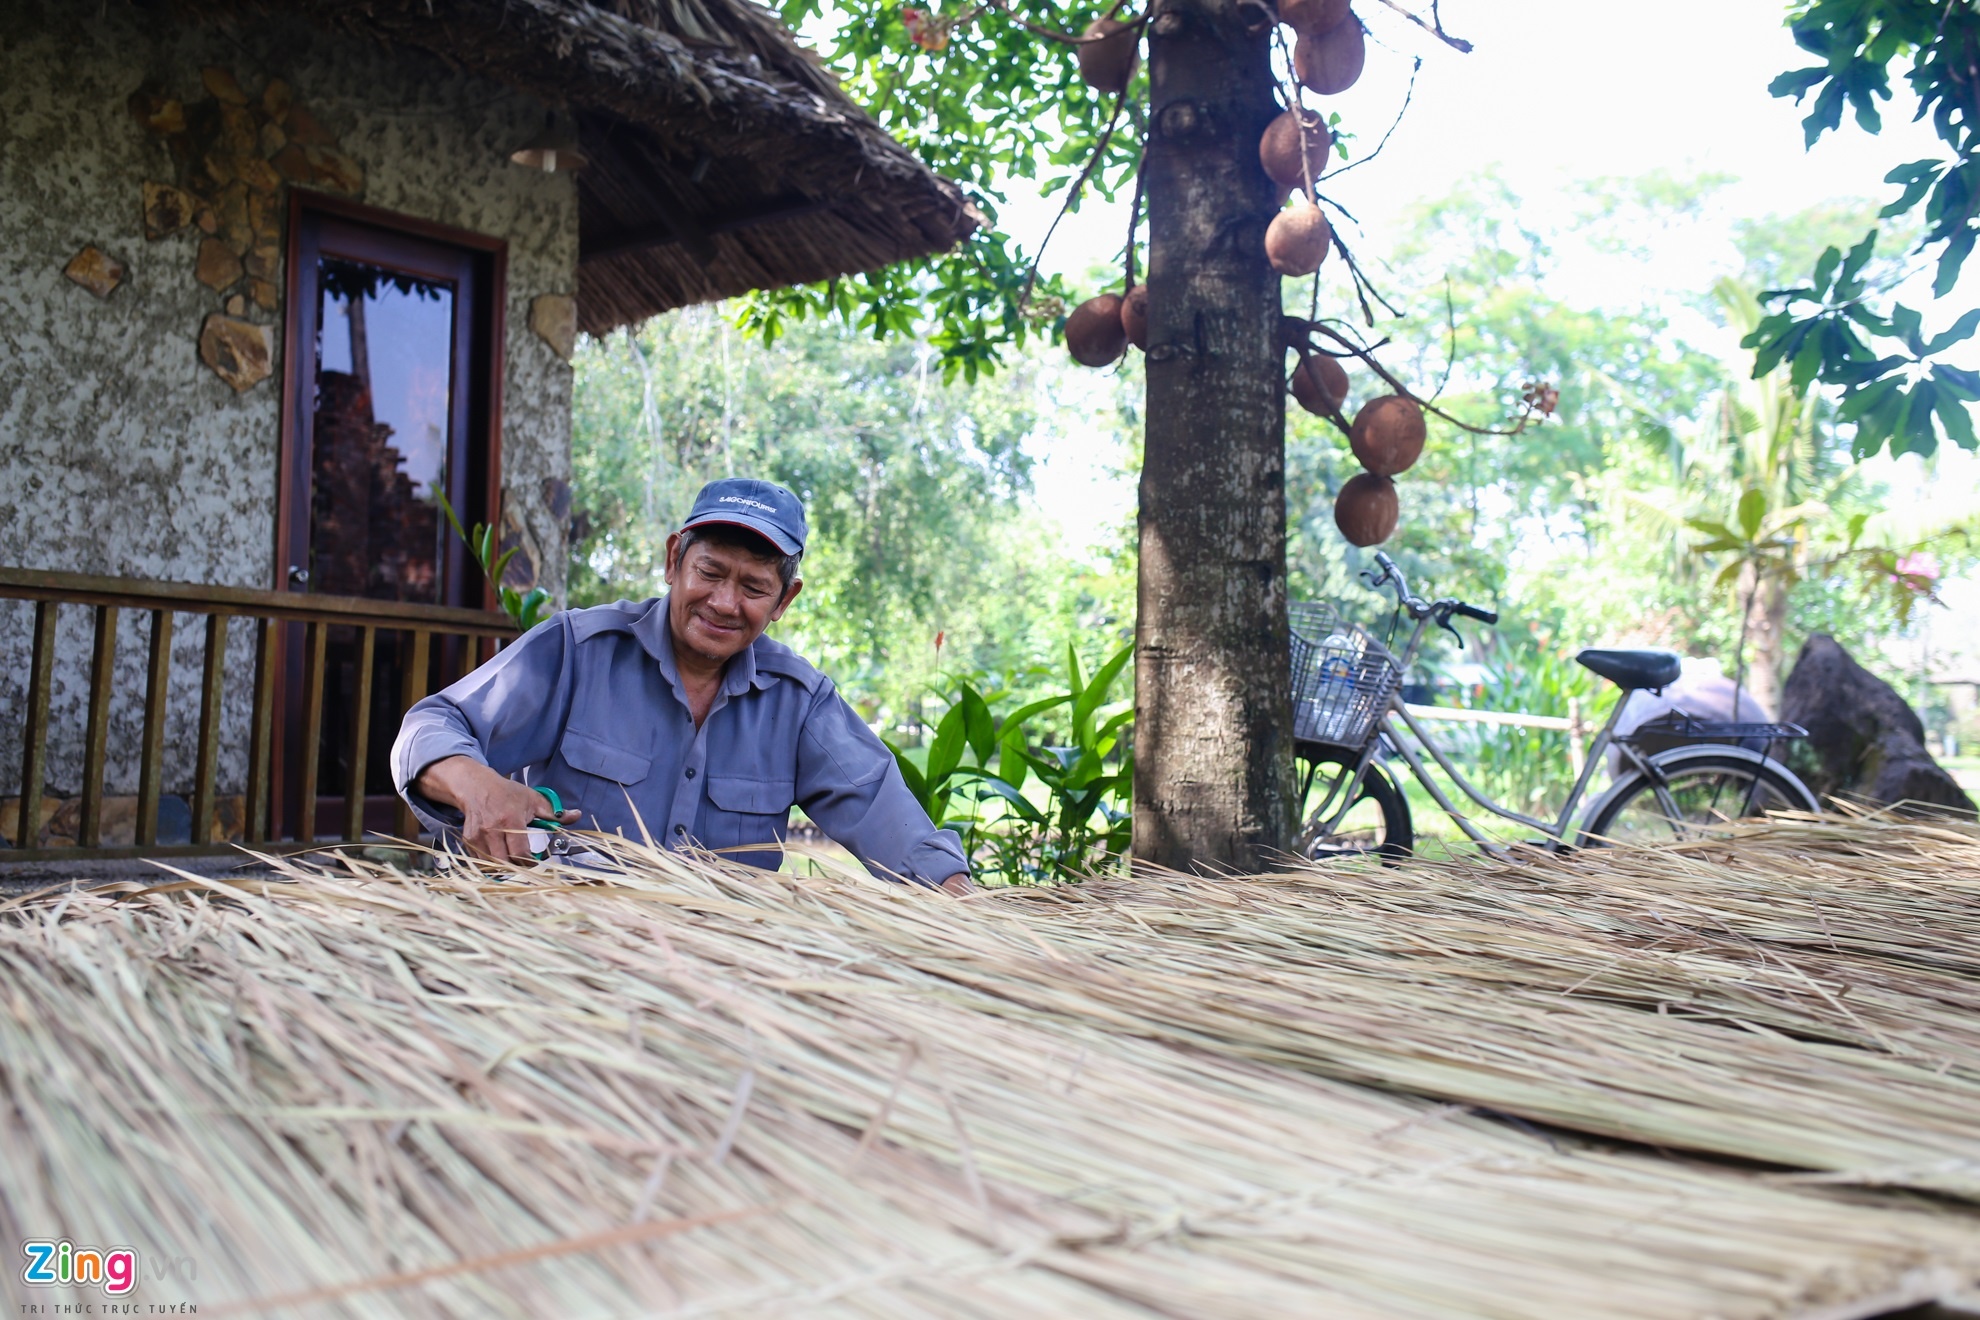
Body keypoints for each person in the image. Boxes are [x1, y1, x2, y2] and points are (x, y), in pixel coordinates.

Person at [391, 478, 973, 894]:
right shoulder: (578, 650)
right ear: (674, 561)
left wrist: (961, 900)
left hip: (714, 976)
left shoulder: (800, 703)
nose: (724, 602)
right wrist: (478, 787)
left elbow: (886, 815)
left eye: (753, 587)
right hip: (558, 951)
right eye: (710, 572)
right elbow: (430, 726)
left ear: (784, 601)